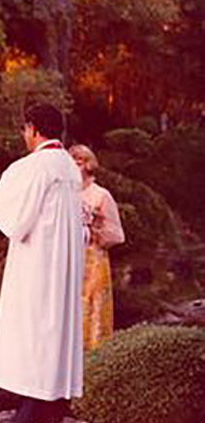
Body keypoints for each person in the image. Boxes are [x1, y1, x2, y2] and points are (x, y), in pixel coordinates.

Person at [0, 103, 84, 423]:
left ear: (33, 129)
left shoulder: (34, 166)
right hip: (63, 260)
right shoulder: (68, 165)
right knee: (55, 324)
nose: (24, 135)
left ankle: (30, 405)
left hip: (38, 259)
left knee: (33, 324)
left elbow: (15, 218)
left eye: (25, 129)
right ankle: (53, 403)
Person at [69, 144, 125, 352]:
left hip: (93, 260)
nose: (76, 166)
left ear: (88, 165)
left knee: (92, 307)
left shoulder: (101, 195)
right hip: (69, 258)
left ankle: (94, 357)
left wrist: (95, 230)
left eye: (79, 162)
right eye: (72, 162)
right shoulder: (65, 194)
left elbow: (116, 234)